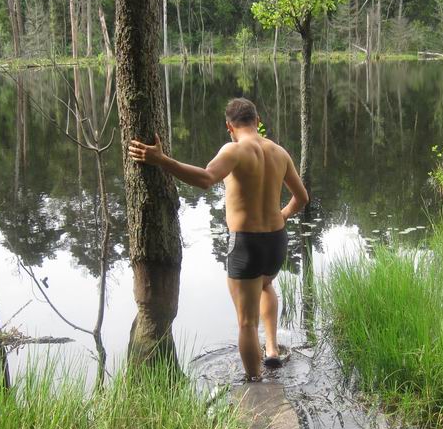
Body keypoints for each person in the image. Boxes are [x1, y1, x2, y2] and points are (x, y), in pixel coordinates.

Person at [128, 98, 309, 380]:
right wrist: (282, 216)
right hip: (275, 240)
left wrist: (160, 159)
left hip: (246, 243)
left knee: (247, 324)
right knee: (266, 284)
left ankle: (255, 381)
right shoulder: (279, 152)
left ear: (229, 126)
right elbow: (302, 198)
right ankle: (271, 350)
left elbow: (205, 178)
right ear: (257, 119)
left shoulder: (234, 150)